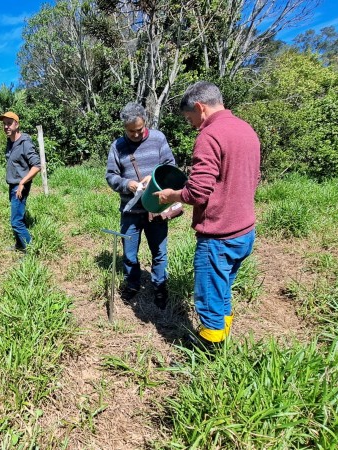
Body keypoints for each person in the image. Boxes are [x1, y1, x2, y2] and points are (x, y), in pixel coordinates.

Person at [155, 81, 260, 347]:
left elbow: (198, 192)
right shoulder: (246, 129)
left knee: (210, 297)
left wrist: (171, 196)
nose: (192, 125)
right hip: (245, 231)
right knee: (223, 290)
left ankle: (209, 353)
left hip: (219, 235)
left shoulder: (210, 136)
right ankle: (224, 335)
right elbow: (252, 177)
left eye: (190, 118)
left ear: (201, 108)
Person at [106, 102, 177, 309]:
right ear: (124, 128)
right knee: (129, 253)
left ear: (145, 122)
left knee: (159, 252)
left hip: (155, 208)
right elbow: (110, 176)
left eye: (139, 130)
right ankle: (133, 284)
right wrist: (126, 184)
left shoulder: (158, 139)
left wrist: (153, 177)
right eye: (131, 131)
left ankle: (160, 287)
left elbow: (170, 166)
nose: (136, 135)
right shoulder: (117, 146)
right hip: (130, 210)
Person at [0, 111, 40, 253]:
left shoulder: (25, 143)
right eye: (4, 124)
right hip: (12, 184)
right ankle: (19, 244)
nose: (6, 126)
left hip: (20, 185)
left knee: (16, 221)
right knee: (17, 217)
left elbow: (37, 166)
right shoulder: (10, 141)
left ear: (17, 124)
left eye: (9, 123)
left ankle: (30, 250)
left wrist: (22, 182)